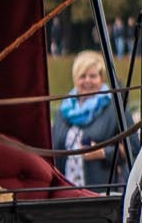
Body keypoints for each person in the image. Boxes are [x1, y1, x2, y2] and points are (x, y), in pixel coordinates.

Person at [53, 49, 129, 190]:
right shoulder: (64, 110)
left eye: (92, 76)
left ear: (101, 78)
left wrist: (102, 152)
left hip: (100, 194)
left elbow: (133, 147)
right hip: (66, 193)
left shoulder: (116, 106)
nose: (87, 80)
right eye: (82, 76)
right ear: (76, 79)